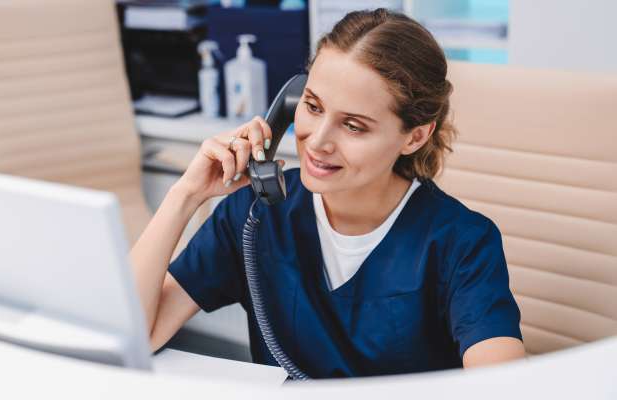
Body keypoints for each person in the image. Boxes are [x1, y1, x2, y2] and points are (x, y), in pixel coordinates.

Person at [130, 9, 526, 378]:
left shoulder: (462, 242)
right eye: (313, 107)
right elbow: (137, 333)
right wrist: (186, 194)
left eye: (353, 126)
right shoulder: (253, 215)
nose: (317, 142)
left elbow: (502, 386)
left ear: (415, 135)